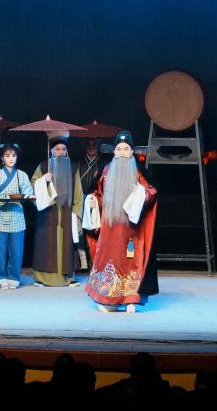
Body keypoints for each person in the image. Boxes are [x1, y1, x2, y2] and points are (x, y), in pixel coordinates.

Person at [84, 130, 159, 312]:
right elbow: (98, 193)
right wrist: (92, 199)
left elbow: (152, 192)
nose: (123, 152)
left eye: (126, 149)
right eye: (119, 149)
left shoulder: (139, 171)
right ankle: (108, 300)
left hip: (131, 228)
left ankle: (131, 299)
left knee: (131, 262)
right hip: (110, 227)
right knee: (109, 260)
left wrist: (140, 193)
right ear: (114, 152)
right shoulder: (106, 171)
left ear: (132, 151)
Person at [30, 136, 85, 287]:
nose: (61, 152)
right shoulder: (43, 166)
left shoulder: (73, 168)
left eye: (64, 149)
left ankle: (67, 278)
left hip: (66, 213)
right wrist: (44, 180)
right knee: (46, 245)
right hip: (48, 213)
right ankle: (42, 278)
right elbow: (32, 187)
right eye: (58, 149)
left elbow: (79, 194)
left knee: (66, 246)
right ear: (52, 151)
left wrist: (76, 214)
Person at [0, 143, 34, 289]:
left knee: (16, 250)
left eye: (13, 155)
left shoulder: (21, 175)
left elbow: (27, 190)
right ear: (2, 158)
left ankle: (14, 277)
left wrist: (29, 195)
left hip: (16, 215)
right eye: (7, 156)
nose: (11, 158)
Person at [75, 137, 105, 271]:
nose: (91, 147)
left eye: (94, 144)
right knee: (79, 232)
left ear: (99, 146)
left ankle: (95, 263)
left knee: (95, 231)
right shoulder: (78, 162)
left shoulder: (104, 163)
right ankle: (82, 263)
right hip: (80, 199)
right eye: (88, 144)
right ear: (84, 145)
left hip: (96, 200)